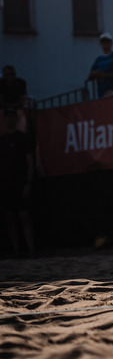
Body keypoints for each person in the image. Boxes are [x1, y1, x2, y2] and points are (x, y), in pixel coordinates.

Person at [1, 106, 35, 257]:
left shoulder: (22, 138)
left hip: (20, 182)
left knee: (24, 216)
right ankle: (16, 252)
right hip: (6, 183)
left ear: (16, 119)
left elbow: (30, 161)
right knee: (9, 218)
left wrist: (28, 182)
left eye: (12, 116)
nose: (10, 119)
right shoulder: (1, 140)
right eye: (7, 116)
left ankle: (31, 251)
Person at [86, 34, 113, 99]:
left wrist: (104, 75)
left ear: (111, 43)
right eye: (103, 41)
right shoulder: (99, 59)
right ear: (100, 44)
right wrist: (94, 74)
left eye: (107, 41)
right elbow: (90, 76)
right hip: (102, 93)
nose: (105, 43)